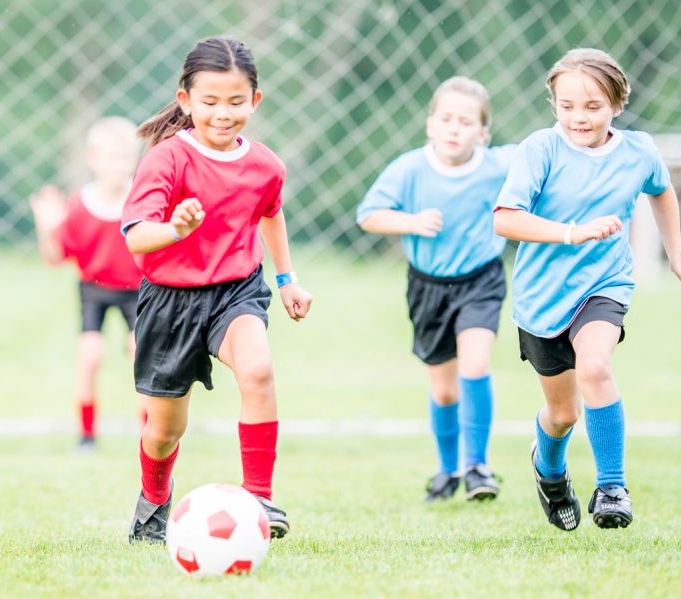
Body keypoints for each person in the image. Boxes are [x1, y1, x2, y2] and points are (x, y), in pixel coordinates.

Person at [493, 48, 681, 531]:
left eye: (592, 106)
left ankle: (612, 487)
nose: (579, 117)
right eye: (567, 105)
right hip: (541, 298)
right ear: (554, 104)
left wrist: (677, 258)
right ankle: (549, 470)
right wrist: (573, 231)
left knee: (596, 365)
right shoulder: (540, 150)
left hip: (604, 283)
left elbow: (661, 190)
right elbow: (506, 219)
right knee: (563, 414)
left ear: (617, 103)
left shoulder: (638, 151)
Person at [122, 37, 314, 544]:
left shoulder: (266, 165)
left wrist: (287, 278)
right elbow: (137, 235)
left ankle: (258, 499)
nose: (222, 113)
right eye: (209, 102)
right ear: (185, 100)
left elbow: (269, 211)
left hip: (236, 289)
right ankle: (153, 503)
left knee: (259, 369)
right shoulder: (166, 160)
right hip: (170, 300)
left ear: (255, 100)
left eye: (235, 101)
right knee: (164, 433)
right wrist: (176, 230)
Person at [357, 76, 513, 502]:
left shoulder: (499, 165)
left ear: (483, 134)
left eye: (465, 122)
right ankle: (448, 470)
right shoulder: (409, 168)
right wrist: (409, 222)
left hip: (481, 280)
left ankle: (478, 467)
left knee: (475, 366)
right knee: (444, 389)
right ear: (430, 125)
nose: (453, 128)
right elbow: (369, 215)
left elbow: (546, 158)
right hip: (428, 287)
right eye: (445, 119)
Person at [28, 117, 145, 451]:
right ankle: (87, 434)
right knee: (90, 355)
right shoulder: (80, 205)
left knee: (142, 353)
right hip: (93, 288)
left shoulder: (140, 200)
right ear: (93, 158)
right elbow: (54, 258)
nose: (119, 165)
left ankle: (149, 434)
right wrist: (47, 228)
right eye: (111, 157)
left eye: (125, 157)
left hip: (136, 290)